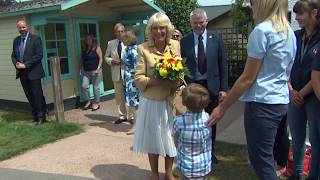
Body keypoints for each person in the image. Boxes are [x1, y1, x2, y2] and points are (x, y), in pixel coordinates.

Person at [207, 0, 297, 179]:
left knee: (261, 162)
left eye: (254, 2)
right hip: (279, 102)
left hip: (262, 104)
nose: (251, 6)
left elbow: (247, 78)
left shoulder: (262, 31)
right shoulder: (289, 33)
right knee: (267, 159)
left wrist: (222, 108)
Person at [133, 12, 180, 180]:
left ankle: (168, 173)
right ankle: (154, 173)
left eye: (162, 28)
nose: (158, 32)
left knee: (170, 137)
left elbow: (180, 70)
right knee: (153, 137)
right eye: (155, 28)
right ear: (150, 30)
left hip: (171, 100)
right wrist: (158, 80)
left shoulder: (175, 45)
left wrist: (175, 78)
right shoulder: (143, 49)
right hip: (152, 101)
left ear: (167, 29)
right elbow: (138, 78)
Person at [180, 8, 228, 165]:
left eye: (201, 23)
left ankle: (210, 151)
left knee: (211, 120)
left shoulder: (216, 38)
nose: (198, 26)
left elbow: (223, 65)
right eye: (195, 23)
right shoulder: (184, 41)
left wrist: (223, 89)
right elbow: (181, 65)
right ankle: (196, 149)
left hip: (212, 86)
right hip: (193, 88)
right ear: (191, 23)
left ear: (206, 21)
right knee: (194, 120)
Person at [287, 1, 320, 179]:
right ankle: (296, 173)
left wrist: (301, 92)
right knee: (297, 138)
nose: (297, 18)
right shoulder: (295, 36)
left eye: (300, 14)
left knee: (315, 141)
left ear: (313, 13)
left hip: (313, 95)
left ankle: (313, 176)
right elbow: (285, 65)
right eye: (295, 14)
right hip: (294, 94)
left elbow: (316, 74)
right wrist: (291, 90)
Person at [172, 83, 212, 180]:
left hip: (187, 167)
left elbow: (175, 139)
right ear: (206, 103)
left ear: (184, 102)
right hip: (204, 166)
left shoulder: (179, 121)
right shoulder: (207, 117)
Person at [11, 20, 47, 125]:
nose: (22, 29)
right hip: (22, 73)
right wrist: (16, 63)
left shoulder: (36, 39)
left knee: (37, 95)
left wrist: (26, 65)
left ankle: (41, 117)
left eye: (24, 27)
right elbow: (13, 55)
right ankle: (36, 115)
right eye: (20, 27)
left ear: (28, 27)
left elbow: (39, 55)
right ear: (18, 29)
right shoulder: (16, 40)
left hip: (34, 72)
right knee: (29, 95)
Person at [105, 23, 131, 124]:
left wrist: (127, 61)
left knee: (130, 95)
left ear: (125, 32)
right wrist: (112, 61)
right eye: (118, 31)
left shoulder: (129, 42)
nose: (120, 33)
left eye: (122, 31)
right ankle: (122, 116)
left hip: (128, 73)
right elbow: (106, 57)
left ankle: (131, 116)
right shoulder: (111, 43)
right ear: (115, 33)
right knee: (119, 96)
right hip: (116, 73)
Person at [122, 31, 140, 135]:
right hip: (130, 80)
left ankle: (136, 126)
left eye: (124, 39)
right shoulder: (132, 49)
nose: (122, 40)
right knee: (134, 104)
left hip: (133, 81)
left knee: (134, 104)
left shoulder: (132, 51)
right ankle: (137, 125)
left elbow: (136, 66)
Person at [80, 34, 103, 111]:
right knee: (84, 86)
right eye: (86, 39)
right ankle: (88, 101)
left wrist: (98, 68)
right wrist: (81, 68)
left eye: (89, 39)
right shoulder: (84, 49)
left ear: (92, 39)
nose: (88, 41)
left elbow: (101, 59)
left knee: (95, 87)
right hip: (86, 71)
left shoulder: (97, 47)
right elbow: (82, 59)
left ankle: (97, 103)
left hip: (95, 71)